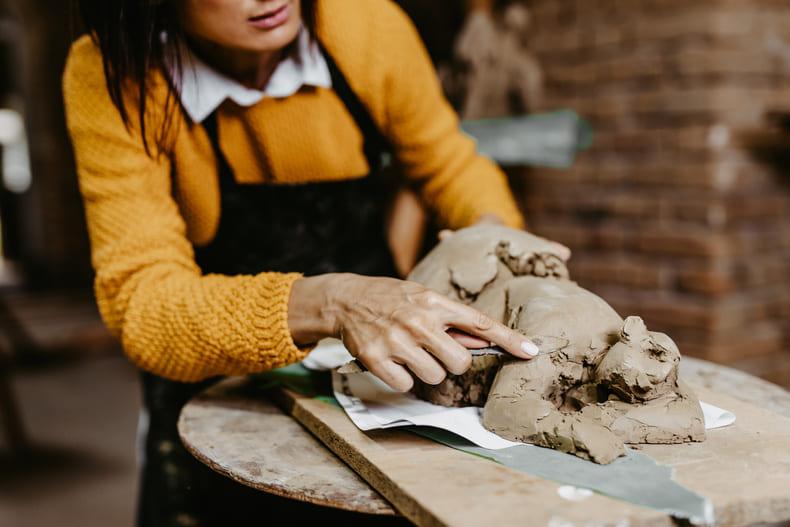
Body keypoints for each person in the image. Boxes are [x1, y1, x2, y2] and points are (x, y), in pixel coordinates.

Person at [63, 0, 570, 524]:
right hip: (219, 382)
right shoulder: (112, 72)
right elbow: (145, 305)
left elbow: (447, 161)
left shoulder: (366, 24)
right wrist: (334, 302)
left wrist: (491, 237)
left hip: (383, 384)